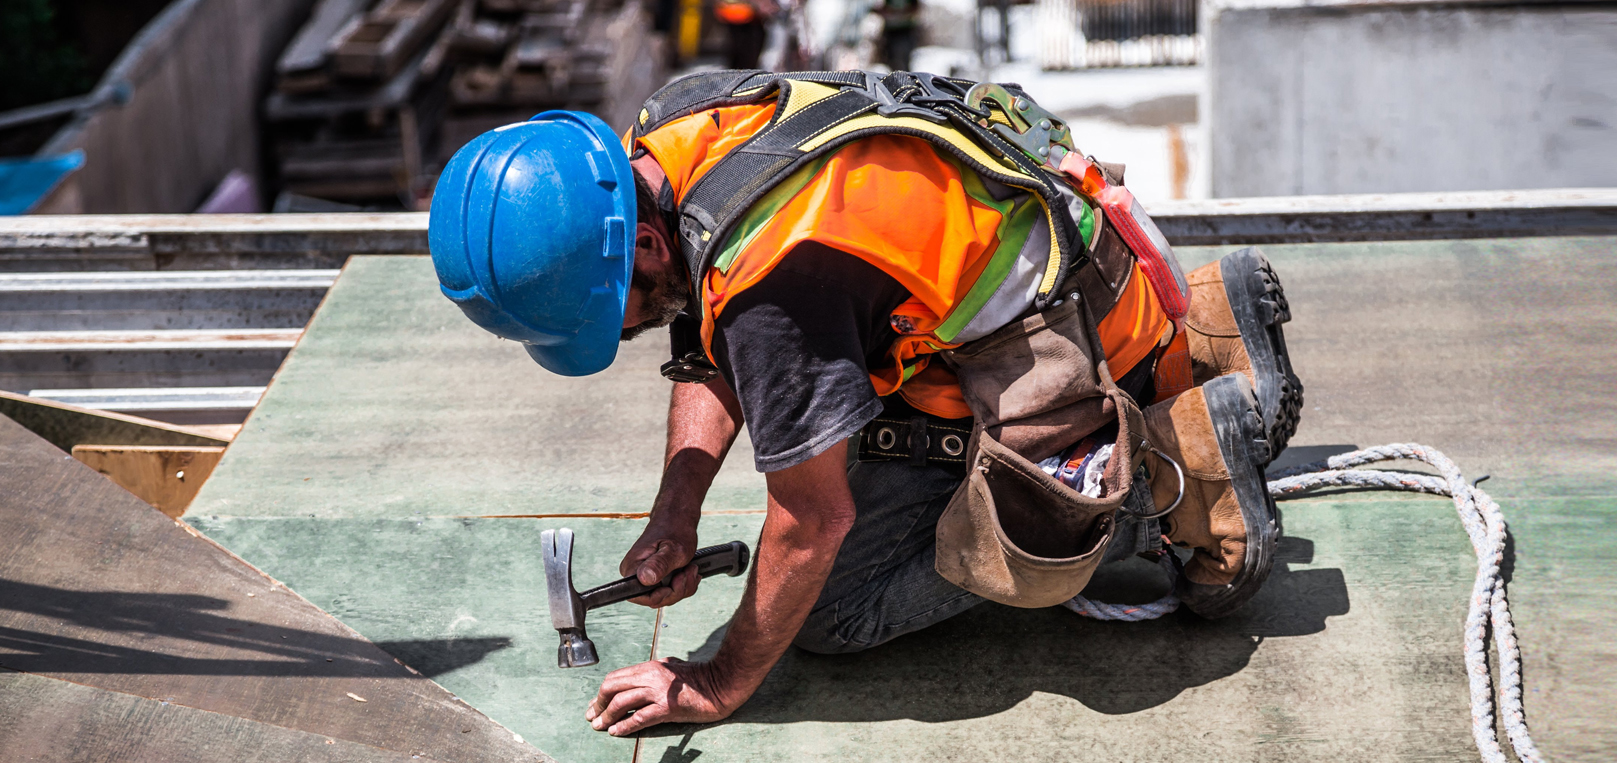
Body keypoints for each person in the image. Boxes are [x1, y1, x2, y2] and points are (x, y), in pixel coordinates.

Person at [426, 71, 1302, 735]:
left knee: (837, 608)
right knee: (817, 440)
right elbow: (705, 331)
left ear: (645, 243)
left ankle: (1177, 472)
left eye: (608, 311)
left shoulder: (776, 283)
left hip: (1067, 349)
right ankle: (1210, 330)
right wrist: (675, 513)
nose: (616, 337)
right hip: (1074, 267)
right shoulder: (670, 133)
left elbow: (812, 520)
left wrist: (716, 679)